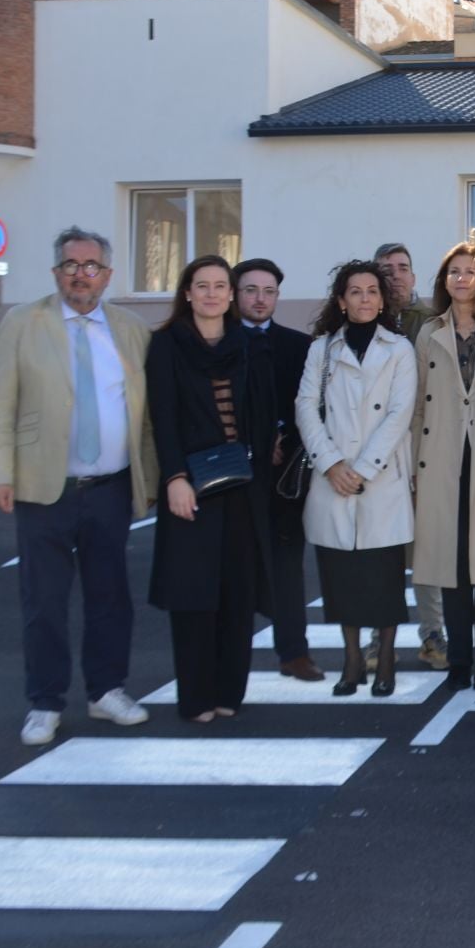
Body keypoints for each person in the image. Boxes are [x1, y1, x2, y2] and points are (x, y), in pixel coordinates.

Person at [0, 226, 157, 746]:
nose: (80, 275)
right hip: (43, 485)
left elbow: (146, 415)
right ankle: (45, 702)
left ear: (107, 274)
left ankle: (107, 691)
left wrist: (152, 477)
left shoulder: (130, 328)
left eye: (91, 267)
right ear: (56, 271)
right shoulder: (23, 322)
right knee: (44, 601)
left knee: (110, 596)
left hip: (110, 485)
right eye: (71, 265)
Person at [146, 256, 276, 723]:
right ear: (187, 293)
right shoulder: (166, 346)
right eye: (202, 286)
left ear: (231, 294)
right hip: (191, 486)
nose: (212, 294)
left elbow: (261, 414)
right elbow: (163, 418)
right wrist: (174, 478)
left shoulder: (246, 345)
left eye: (221, 286)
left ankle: (229, 693)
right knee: (194, 595)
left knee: (236, 593)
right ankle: (196, 698)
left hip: (242, 485)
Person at [296, 261, 416, 698]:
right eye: (354, 291)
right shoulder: (321, 350)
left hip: (380, 478)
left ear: (383, 300)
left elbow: (400, 414)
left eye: (371, 291)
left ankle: (385, 657)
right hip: (333, 477)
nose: (364, 299)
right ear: (341, 300)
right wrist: (330, 464)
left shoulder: (400, 349)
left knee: (384, 578)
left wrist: (363, 468)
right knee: (340, 577)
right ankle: (351, 660)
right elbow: (306, 408)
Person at [411, 239, 475, 691]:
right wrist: (414, 465)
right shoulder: (428, 332)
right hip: (441, 458)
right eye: (453, 272)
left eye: (469, 271)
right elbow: (416, 405)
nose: (461, 279)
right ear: (444, 280)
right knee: (450, 568)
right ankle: (457, 661)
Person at [234, 258, 322, 683]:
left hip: (285, 476)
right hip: (232, 478)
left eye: (268, 292)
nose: (260, 299)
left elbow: (311, 406)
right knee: (233, 567)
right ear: (237, 294)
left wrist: (284, 442)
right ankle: (229, 661)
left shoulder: (298, 346)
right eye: (251, 290)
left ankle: (294, 653)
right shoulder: (219, 342)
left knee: (288, 566)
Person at [374, 240, 447, 672]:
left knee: (427, 550)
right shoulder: (358, 321)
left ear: (414, 277)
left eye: (402, 268)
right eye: (385, 269)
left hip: (420, 450)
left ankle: (432, 634)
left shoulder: (430, 323)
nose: (394, 275)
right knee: (378, 554)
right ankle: (374, 637)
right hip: (374, 458)